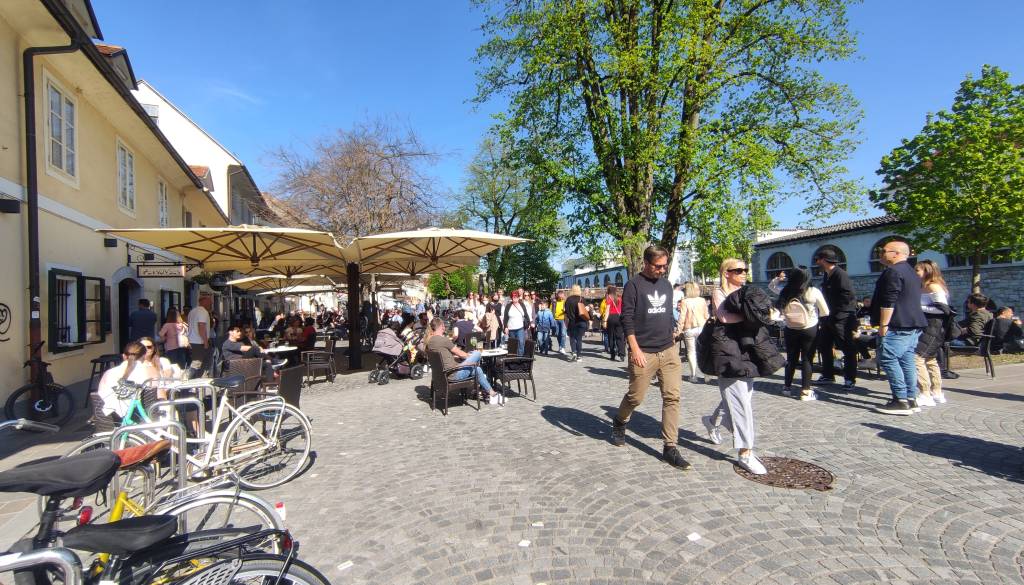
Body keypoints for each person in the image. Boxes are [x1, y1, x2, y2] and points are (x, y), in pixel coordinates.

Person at [609, 246, 692, 471]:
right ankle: (620, 420)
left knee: (672, 397)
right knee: (635, 397)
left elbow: (666, 313)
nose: (662, 270)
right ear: (646, 263)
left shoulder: (665, 285)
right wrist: (634, 349)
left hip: (668, 350)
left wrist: (673, 332)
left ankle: (670, 447)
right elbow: (627, 319)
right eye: (658, 266)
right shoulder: (633, 285)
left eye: (665, 266)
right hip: (643, 351)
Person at [701, 258, 775, 475]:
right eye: (738, 270)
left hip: (747, 349)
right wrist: (752, 316)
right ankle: (745, 452)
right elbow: (724, 317)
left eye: (745, 269)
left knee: (741, 397)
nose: (744, 273)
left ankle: (711, 421)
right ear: (726, 273)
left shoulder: (748, 292)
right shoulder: (719, 292)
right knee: (740, 403)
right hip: (727, 350)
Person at [871, 240, 928, 415]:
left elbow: (889, 300)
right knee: (906, 360)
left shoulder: (893, 272)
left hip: (897, 324)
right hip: (912, 323)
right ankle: (911, 398)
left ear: (896, 253)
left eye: (884, 251)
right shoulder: (911, 272)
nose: (880, 254)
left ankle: (900, 400)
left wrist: (883, 325)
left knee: (888, 358)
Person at [770, 268, 829, 400]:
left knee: (791, 359)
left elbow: (771, 287)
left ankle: (787, 388)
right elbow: (825, 312)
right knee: (807, 359)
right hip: (810, 328)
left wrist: (778, 279)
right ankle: (805, 392)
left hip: (790, 328)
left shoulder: (786, 291)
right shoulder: (813, 291)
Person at [814, 248, 858, 390]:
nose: (817, 262)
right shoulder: (827, 275)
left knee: (847, 348)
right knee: (824, 345)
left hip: (841, 318)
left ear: (824, 260)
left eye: (818, 260)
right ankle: (828, 374)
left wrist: (839, 313)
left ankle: (849, 378)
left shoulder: (840, 274)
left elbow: (849, 296)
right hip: (828, 318)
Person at [425, 317, 497, 402]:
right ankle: (478, 386)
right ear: (442, 327)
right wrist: (471, 356)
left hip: (442, 375)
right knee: (477, 353)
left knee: (477, 370)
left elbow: (442, 356)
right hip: (453, 374)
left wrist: (456, 357)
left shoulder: (429, 341)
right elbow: (463, 355)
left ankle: (491, 393)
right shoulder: (444, 340)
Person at [913, 260, 951, 407]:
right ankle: (937, 391)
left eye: (918, 270)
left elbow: (943, 309)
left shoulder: (934, 286)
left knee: (917, 357)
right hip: (926, 325)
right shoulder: (923, 286)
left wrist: (918, 307)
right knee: (929, 358)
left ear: (927, 271)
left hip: (933, 326)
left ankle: (925, 393)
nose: (915, 273)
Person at [96, 341, 160, 421]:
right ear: (144, 356)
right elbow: (159, 394)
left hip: (109, 422)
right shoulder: (150, 371)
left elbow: (100, 398)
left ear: (124, 356)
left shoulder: (108, 373)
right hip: (141, 421)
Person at [676, 282, 709, 382]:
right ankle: (706, 375)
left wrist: (679, 330)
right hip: (702, 327)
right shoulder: (702, 300)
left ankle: (693, 375)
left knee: (691, 352)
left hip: (689, 328)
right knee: (703, 351)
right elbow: (706, 315)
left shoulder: (685, 301)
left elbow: (682, 317)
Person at [563, 285, 588, 362]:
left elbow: (566, 312)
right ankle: (579, 356)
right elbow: (586, 310)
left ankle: (574, 352)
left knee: (572, 338)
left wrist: (566, 322)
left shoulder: (568, 299)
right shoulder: (582, 299)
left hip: (572, 322)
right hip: (581, 321)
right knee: (579, 339)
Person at [603, 285, 625, 361]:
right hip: (619, 317)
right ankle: (622, 354)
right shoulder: (620, 298)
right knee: (620, 336)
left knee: (611, 337)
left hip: (611, 317)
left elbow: (607, 310)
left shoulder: (609, 298)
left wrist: (605, 321)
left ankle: (612, 354)